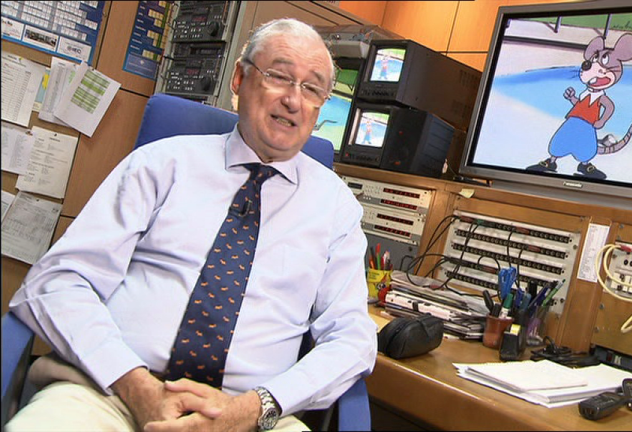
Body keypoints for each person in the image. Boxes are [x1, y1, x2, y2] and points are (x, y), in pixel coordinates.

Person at [7, 18, 377, 432]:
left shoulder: (335, 207)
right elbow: (57, 282)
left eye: (312, 88)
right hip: (111, 393)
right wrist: (135, 385)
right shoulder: (160, 165)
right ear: (240, 78)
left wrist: (255, 407)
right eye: (279, 76)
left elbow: (351, 338)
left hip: (252, 416)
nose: (294, 100)